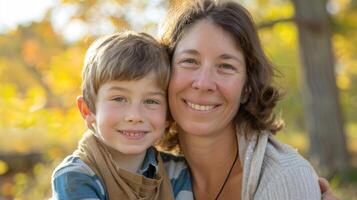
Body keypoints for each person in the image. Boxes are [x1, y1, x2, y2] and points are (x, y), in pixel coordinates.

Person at [158, 0, 323, 199]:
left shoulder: (283, 177)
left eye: (226, 66)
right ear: (163, 73)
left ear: (247, 87)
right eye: (189, 61)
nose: (204, 83)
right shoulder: (146, 173)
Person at [51, 31, 182, 200]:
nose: (134, 116)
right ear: (87, 110)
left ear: (168, 116)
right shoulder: (75, 176)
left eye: (151, 101)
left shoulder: (176, 172)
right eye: (119, 99)